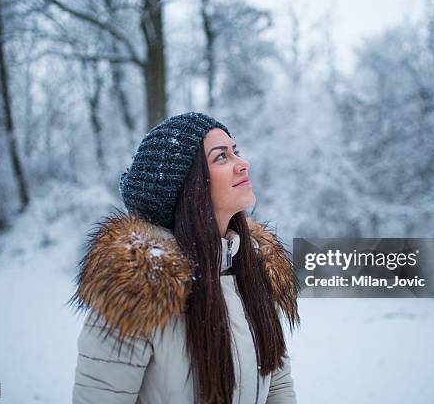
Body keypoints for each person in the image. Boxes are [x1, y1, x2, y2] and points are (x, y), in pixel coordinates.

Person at [68, 112, 300, 403]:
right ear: (188, 187)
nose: (243, 164)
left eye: (235, 152)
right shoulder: (138, 294)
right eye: (221, 157)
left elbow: (277, 384)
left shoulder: (255, 276)